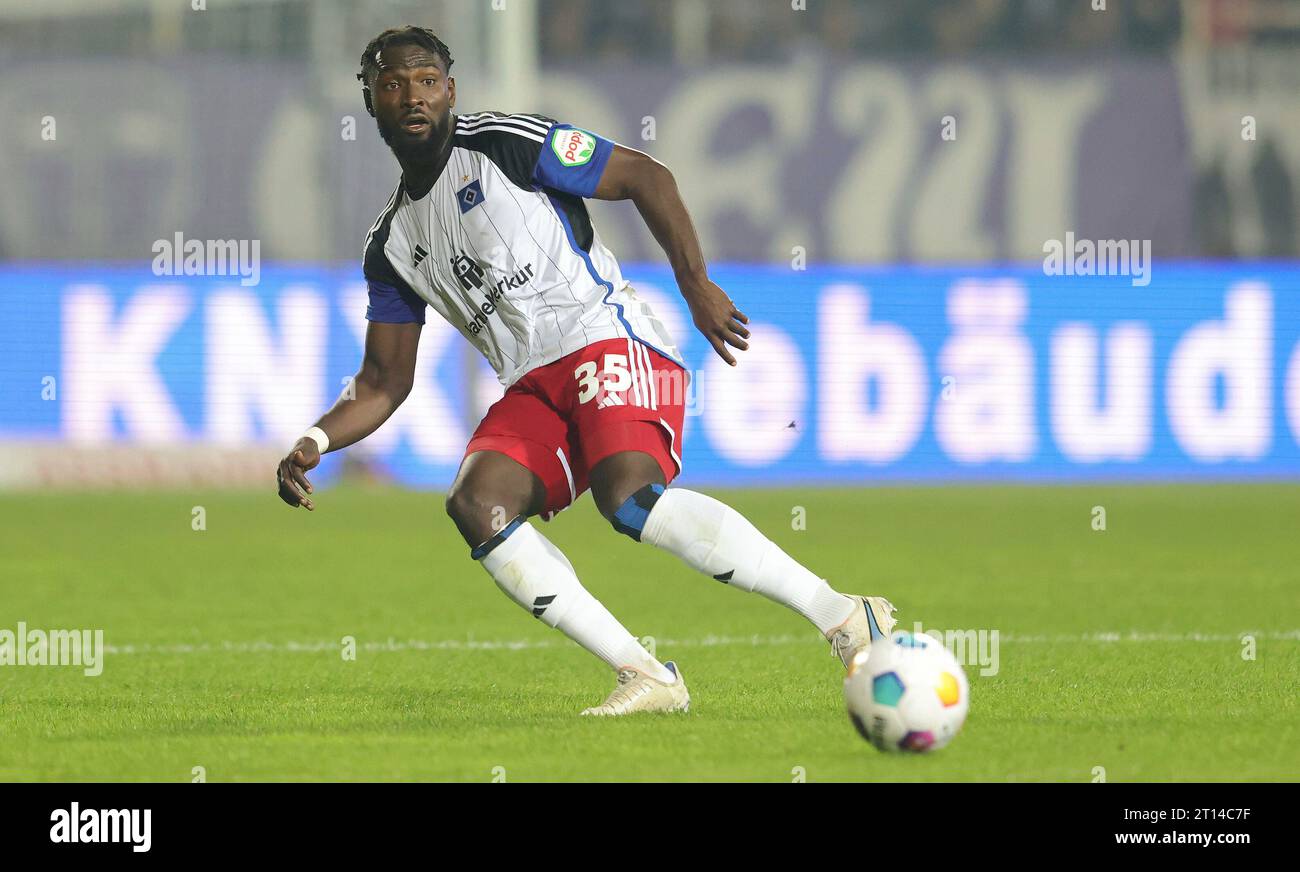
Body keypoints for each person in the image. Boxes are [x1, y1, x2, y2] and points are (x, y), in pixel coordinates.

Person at [276, 26, 896, 715]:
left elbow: (645, 176)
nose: (412, 96)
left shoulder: (506, 142)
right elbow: (385, 381)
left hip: (604, 335)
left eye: (426, 81)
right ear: (370, 100)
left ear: (450, 89)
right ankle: (648, 676)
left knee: (628, 497)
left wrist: (695, 285)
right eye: (393, 84)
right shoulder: (390, 246)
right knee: (476, 504)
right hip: (532, 384)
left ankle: (843, 615)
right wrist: (315, 440)